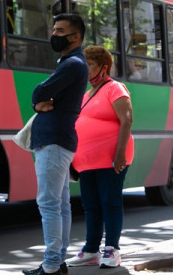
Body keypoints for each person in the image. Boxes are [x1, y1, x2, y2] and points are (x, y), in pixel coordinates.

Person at [24, 13, 88, 275]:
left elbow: (40, 92)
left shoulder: (72, 64)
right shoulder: (72, 62)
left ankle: (51, 264)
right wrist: (39, 103)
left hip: (54, 141)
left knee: (49, 204)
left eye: (60, 30)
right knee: (60, 204)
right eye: (54, 29)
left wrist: (38, 101)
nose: (54, 34)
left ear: (75, 37)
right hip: (58, 140)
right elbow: (42, 95)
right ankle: (57, 261)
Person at [66, 45, 134, 269]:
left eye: (90, 65)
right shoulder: (86, 94)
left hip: (111, 160)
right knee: (91, 206)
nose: (86, 70)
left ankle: (111, 250)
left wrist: (120, 153)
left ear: (103, 68)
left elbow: (127, 119)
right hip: (87, 163)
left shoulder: (115, 88)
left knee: (110, 203)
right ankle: (91, 250)